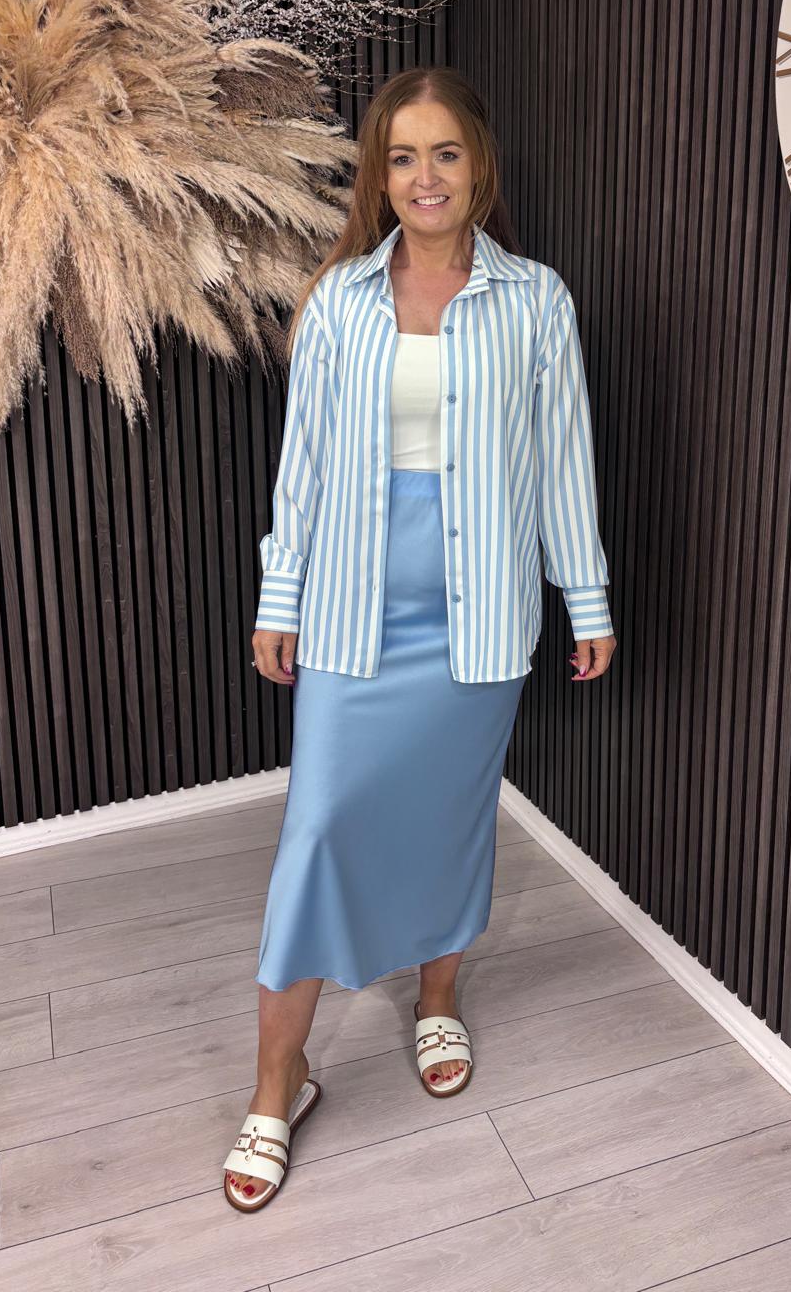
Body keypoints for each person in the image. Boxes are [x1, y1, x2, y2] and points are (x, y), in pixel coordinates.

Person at [223, 66, 617, 1211]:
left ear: (478, 162)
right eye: (402, 157)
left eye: (444, 152)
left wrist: (585, 598)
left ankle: (438, 996)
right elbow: (302, 468)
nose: (424, 177)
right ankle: (277, 1081)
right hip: (353, 615)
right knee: (319, 832)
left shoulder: (536, 302)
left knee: (453, 815)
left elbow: (562, 463)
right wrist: (280, 594)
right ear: (379, 175)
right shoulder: (339, 300)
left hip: (478, 616)